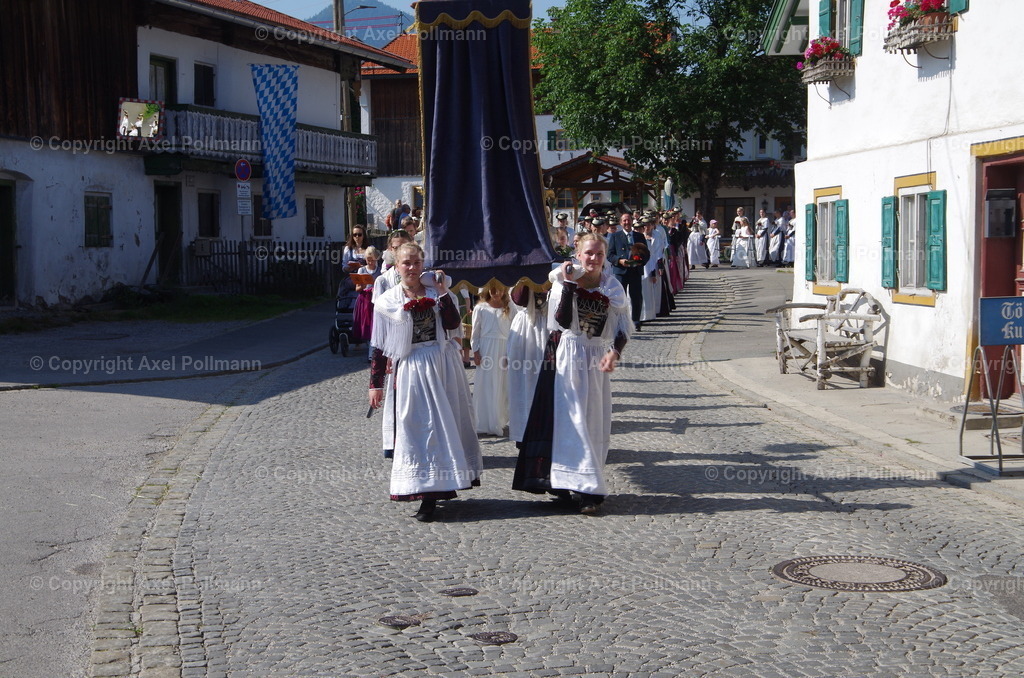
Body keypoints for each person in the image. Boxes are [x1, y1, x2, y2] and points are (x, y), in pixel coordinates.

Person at [513, 233, 631, 515]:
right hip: (570, 354)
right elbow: (562, 320)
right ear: (578, 255)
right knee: (572, 420)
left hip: (596, 356)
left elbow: (623, 328)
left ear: (605, 257)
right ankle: (586, 488)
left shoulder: (613, 287)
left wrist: (614, 352)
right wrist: (568, 285)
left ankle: (581, 481)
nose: (593, 259)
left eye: (599, 254)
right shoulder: (561, 281)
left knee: (594, 420)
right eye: (588, 253)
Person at [368, 243, 482, 522]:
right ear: (396, 266)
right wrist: (376, 383)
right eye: (406, 263)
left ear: (423, 264)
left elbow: (454, 324)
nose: (412, 268)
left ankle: (441, 487)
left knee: (446, 424)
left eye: (417, 262)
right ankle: (422, 488)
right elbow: (380, 345)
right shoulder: (387, 302)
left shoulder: (437, 292)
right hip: (410, 367)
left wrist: (443, 293)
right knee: (416, 427)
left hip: (442, 364)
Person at [471, 281, 515, 436]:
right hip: (486, 349)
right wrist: (475, 351)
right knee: (487, 384)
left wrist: (511, 353)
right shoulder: (481, 308)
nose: (496, 293)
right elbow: (475, 332)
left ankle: (499, 419)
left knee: (502, 385)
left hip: (503, 350)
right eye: (493, 290)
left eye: (500, 290)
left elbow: (515, 332)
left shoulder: (510, 308)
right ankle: (486, 421)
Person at [507, 281, 549, 446]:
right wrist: (526, 277)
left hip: (547, 327)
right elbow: (519, 299)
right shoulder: (522, 274)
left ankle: (545, 432)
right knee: (522, 382)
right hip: (526, 329)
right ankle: (523, 432)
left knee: (545, 381)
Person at [607, 212, 649, 331]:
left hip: (635, 271)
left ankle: (636, 321)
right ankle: (621, 322)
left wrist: (641, 262)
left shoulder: (639, 236)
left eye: (628, 220)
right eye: (624, 220)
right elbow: (610, 255)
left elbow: (646, 254)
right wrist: (620, 261)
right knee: (621, 298)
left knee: (636, 297)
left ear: (632, 221)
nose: (627, 222)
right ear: (621, 223)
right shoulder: (615, 236)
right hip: (621, 271)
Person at [352, 246, 381, 346]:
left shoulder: (380, 271)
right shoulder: (361, 270)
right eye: (368, 260)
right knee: (366, 323)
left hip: (375, 299)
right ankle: (368, 345)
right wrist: (363, 286)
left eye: (372, 260)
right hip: (364, 300)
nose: (370, 263)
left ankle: (373, 346)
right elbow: (357, 289)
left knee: (375, 323)